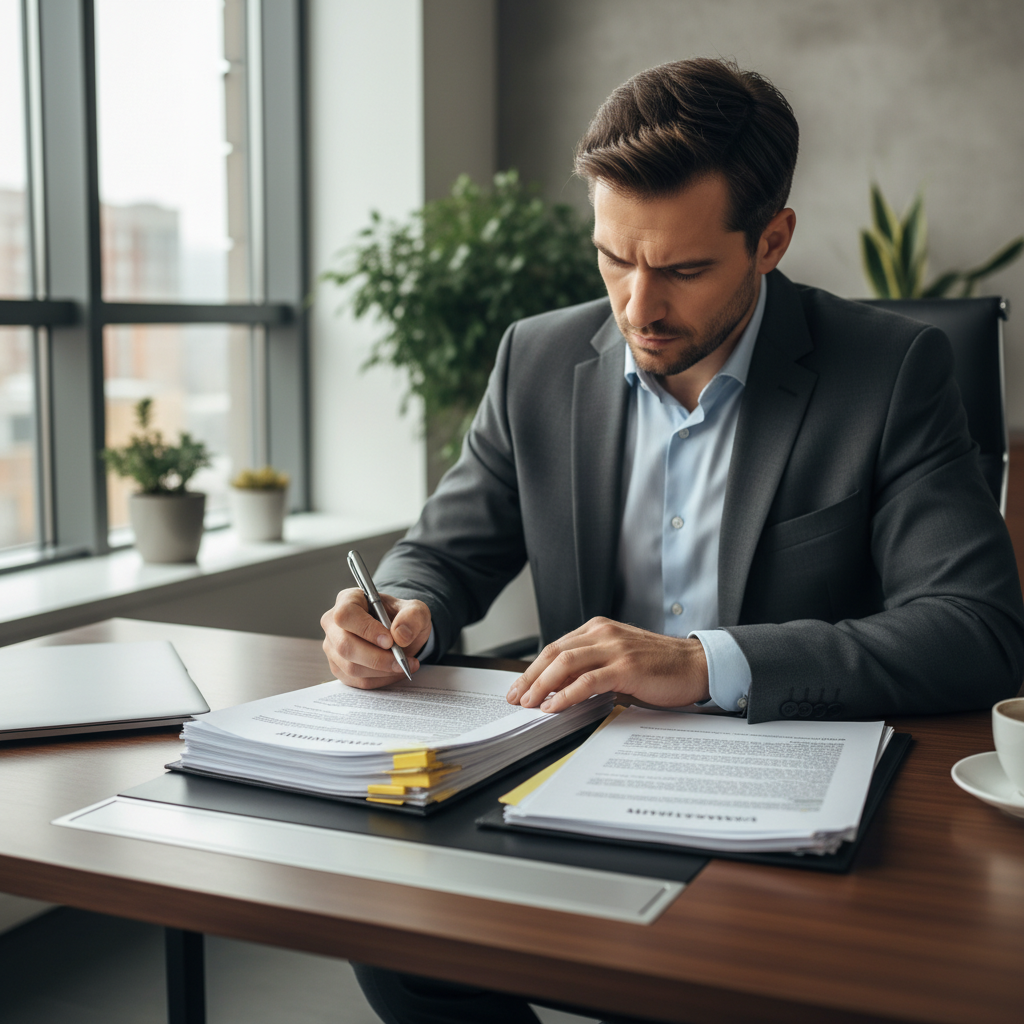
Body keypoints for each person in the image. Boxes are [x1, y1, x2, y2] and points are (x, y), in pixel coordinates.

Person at [322, 58, 1024, 1023]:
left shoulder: (891, 371)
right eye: (614, 257)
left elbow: (976, 630)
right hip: (574, 790)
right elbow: (443, 552)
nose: (637, 307)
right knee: (395, 939)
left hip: (785, 801)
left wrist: (703, 664)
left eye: (684, 269)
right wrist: (403, 606)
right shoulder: (537, 358)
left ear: (771, 240)